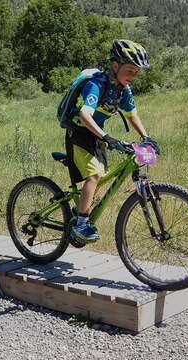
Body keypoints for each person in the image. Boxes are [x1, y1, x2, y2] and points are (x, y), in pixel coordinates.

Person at [66, 39, 159, 245]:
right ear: (115, 66)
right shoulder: (96, 85)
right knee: (95, 175)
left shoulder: (123, 90)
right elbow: (84, 115)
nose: (133, 76)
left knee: (102, 176)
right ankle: (81, 223)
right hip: (80, 133)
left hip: (97, 135)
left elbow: (132, 114)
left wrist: (146, 137)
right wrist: (106, 137)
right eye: (130, 71)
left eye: (136, 73)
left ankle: (81, 209)